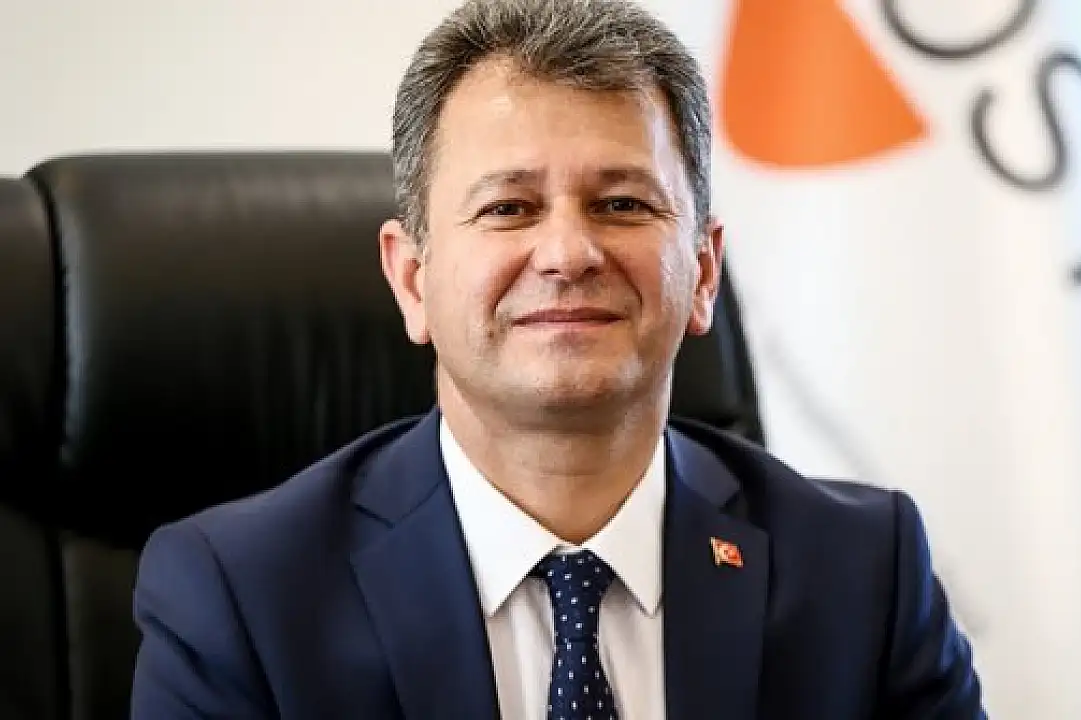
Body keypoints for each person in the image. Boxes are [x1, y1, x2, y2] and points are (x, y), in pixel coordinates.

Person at [129, 0, 984, 717]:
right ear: (412, 279)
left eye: (622, 204)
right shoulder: (240, 597)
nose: (569, 253)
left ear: (703, 273)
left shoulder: (864, 575)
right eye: (509, 208)